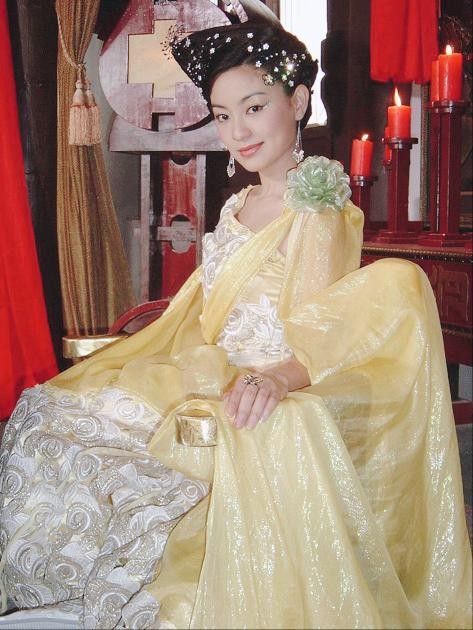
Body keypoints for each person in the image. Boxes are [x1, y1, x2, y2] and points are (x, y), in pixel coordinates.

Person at [0, 20, 471, 630]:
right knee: (54, 415)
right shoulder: (239, 203)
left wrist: (276, 377)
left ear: (297, 101)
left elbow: (322, 325)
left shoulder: (317, 204)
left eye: (254, 107)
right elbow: (205, 307)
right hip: (207, 361)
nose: (238, 131)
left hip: (261, 376)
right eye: (223, 116)